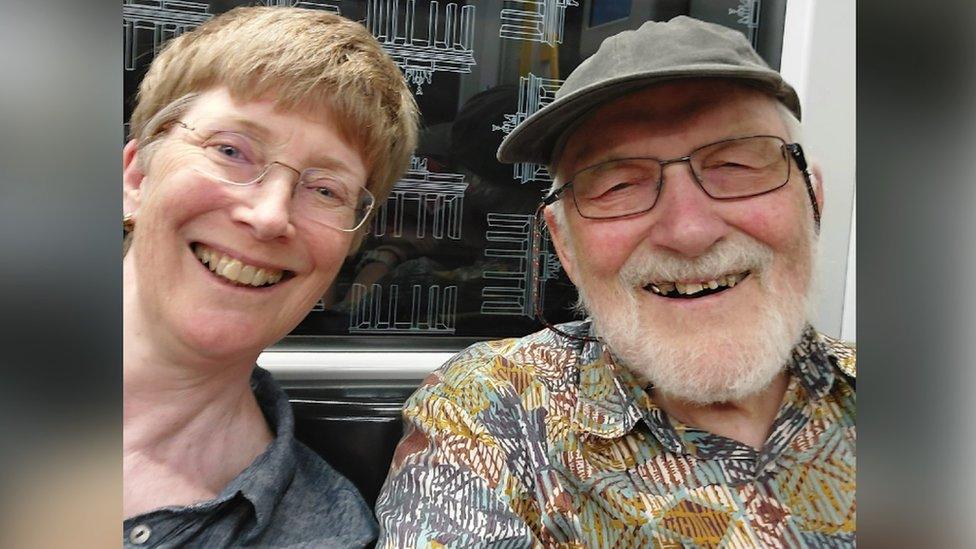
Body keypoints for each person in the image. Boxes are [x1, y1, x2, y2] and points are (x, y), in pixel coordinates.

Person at [376, 16, 855, 547]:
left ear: (813, 200)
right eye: (619, 185)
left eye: (737, 165)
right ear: (563, 245)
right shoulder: (498, 415)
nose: (689, 231)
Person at [122, 7, 417, 547]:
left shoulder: (326, 536)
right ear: (138, 177)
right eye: (231, 151)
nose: (269, 215)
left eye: (326, 189)